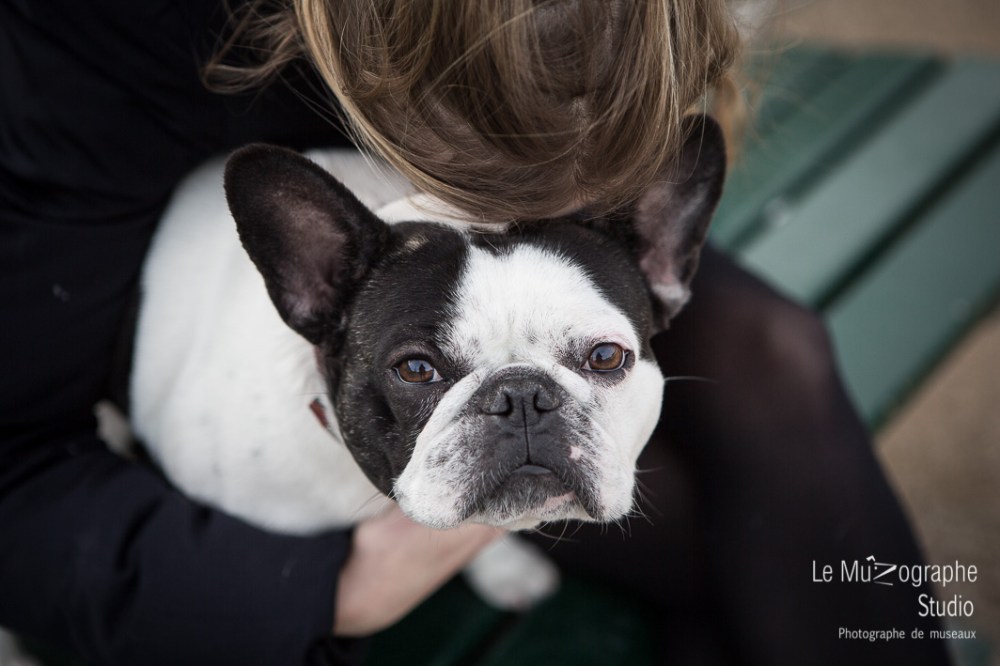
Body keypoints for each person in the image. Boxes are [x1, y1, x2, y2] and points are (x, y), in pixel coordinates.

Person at [0, 1, 948, 664]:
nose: (554, 207)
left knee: (774, 357)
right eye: (508, 184)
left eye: (606, 354)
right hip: (191, 248)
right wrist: (336, 589)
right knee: (766, 569)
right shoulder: (87, 43)